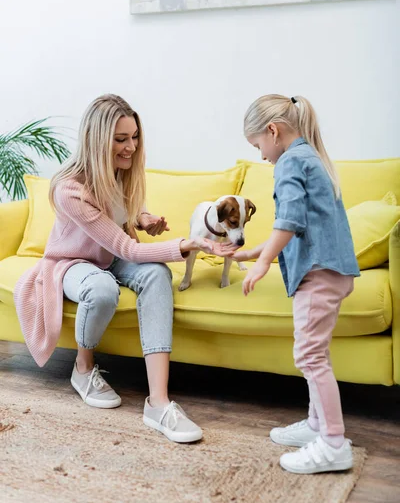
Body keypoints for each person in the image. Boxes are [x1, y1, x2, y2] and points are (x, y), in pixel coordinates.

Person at [14, 94, 236, 444]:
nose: (131, 146)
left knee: (157, 274)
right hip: (72, 261)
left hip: (110, 255)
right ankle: (83, 368)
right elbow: (125, 247)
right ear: (97, 140)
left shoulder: (121, 171)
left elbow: (122, 217)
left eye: (134, 137)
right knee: (102, 288)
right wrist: (186, 245)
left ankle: (159, 403)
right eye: (121, 139)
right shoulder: (68, 189)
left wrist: (144, 219)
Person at [234, 94, 360, 474]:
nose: (261, 156)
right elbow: (301, 224)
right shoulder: (310, 158)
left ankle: (334, 443)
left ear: (273, 131)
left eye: (258, 145)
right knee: (315, 353)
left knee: (309, 357)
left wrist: (263, 261)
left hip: (318, 274)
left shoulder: (289, 161)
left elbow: (288, 221)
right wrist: (251, 252)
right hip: (332, 270)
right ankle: (317, 426)